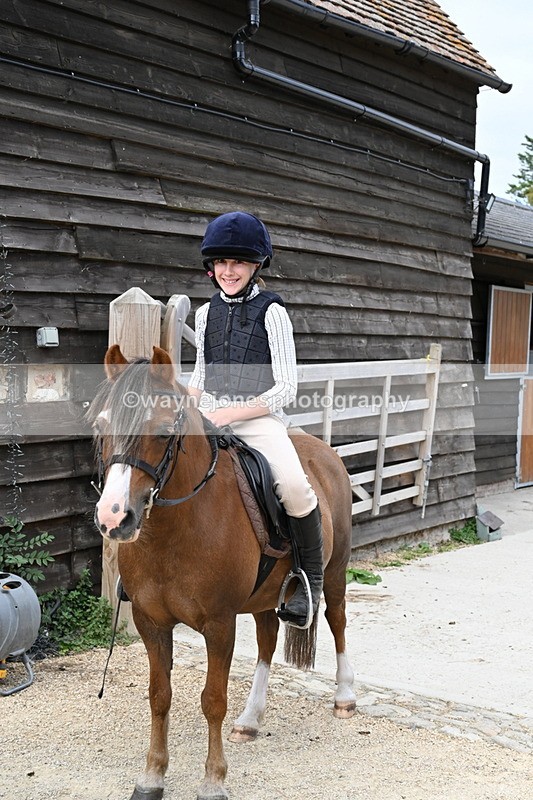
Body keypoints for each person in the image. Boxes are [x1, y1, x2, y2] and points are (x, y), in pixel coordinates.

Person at [187, 210, 323, 628]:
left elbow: (285, 388)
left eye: (238, 262)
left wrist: (232, 412)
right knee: (162, 462)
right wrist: (186, 404)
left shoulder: (273, 313)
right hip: (209, 414)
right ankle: (146, 572)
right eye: (222, 263)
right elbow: (199, 375)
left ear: (255, 265)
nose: (229, 271)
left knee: (296, 487)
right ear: (211, 266)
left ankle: (308, 583)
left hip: (258, 418)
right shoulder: (205, 314)